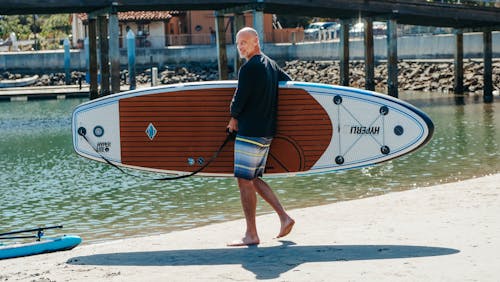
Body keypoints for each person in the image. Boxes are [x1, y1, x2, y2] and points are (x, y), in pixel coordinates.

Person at [226, 27, 295, 246]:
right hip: (266, 132)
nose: (241, 47)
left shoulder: (249, 68)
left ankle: (251, 234)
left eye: (244, 42)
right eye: (238, 43)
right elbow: (289, 83)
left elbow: (238, 99)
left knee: (244, 181)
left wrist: (233, 117)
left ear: (256, 41)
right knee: (253, 179)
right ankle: (284, 217)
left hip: (250, 132)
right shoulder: (271, 65)